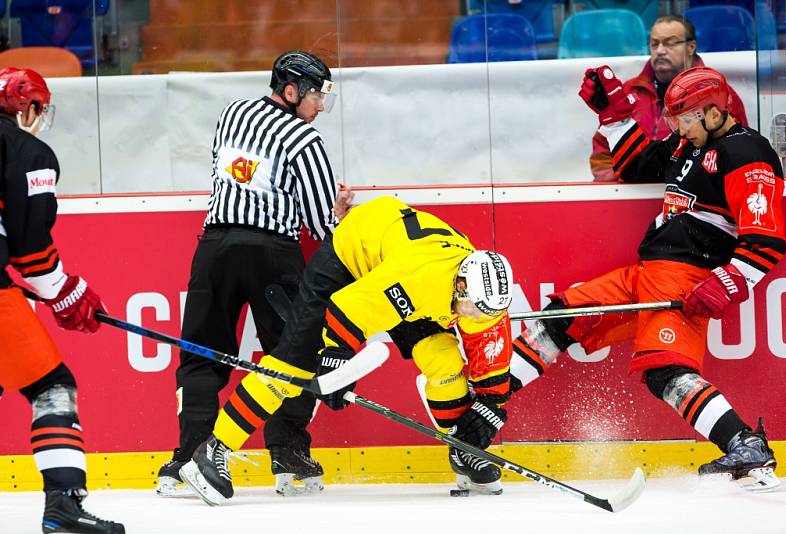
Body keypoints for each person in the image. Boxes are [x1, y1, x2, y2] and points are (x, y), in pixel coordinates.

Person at [510, 65, 785, 492]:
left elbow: (766, 240)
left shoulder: (747, 153)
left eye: (685, 119)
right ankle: (483, 406)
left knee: (666, 372)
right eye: (674, 120)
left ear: (714, 112)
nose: (678, 128)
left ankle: (745, 444)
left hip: (683, 276)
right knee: (559, 317)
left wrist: (726, 282)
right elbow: (637, 164)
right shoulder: (687, 144)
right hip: (646, 272)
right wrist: (615, 116)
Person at [178, 196, 516, 504]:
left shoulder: (482, 300)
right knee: (292, 365)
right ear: (460, 284)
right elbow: (348, 308)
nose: (473, 316)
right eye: (470, 308)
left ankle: (462, 449)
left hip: (397, 265)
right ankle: (213, 449)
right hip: (350, 257)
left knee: (445, 360)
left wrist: (490, 407)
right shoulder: (422, 278)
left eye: (480, 312)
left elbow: (492, 359)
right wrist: (335, 362)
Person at [156, 50, 354, 498]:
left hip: (214, 250)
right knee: (293, 356)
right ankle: (288, 455)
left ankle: (185, 461)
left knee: (201, 355)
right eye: (317, 96)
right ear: (291, 90)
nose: (320, 106)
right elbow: (322, 225)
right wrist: (338, 212)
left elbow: (231, 175)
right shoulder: (306, 142)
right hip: (272, 256)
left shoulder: (232, 113)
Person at [0, 68, 125, 532]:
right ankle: (64, 505)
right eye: (38, 108)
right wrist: (64, 292)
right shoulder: (26, 151)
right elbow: (30, 249)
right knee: (51, 388)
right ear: (25, 105)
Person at [590, 15, 749, 182]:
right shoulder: (627, 92)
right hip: (629, 196)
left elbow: (734, 151)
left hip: (693, 197)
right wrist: (623, 190)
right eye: (654, 43)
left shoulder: (719, 95)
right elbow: (601, 157)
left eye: (670, 43)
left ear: (691, 47)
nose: (660, 50)